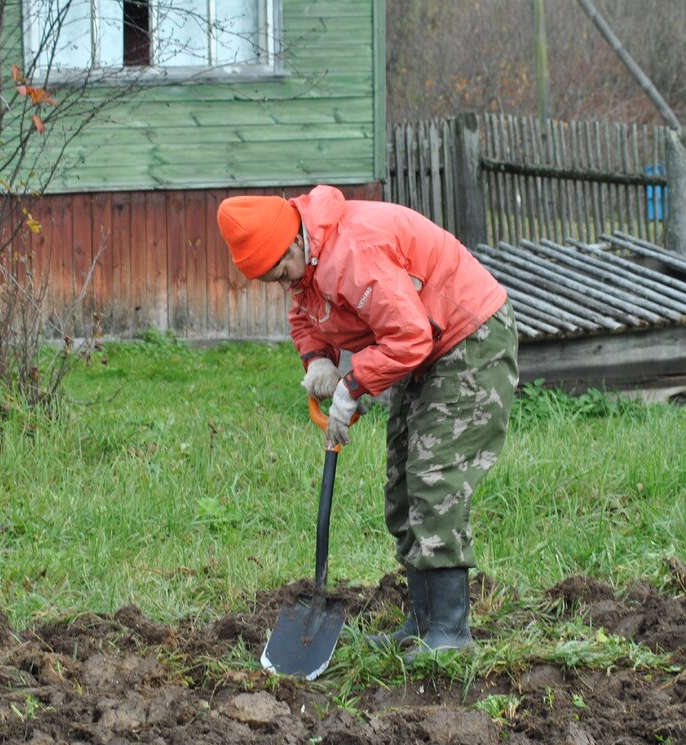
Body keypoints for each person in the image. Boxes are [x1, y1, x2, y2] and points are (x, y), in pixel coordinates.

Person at [216, 185, 518, 656]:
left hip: (468, 337)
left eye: (279, 271)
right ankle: (423, 622)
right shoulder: (307, 263)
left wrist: (353, 386)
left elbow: (410, 335)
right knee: (402, 481)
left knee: (434, 474)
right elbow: (305, 310)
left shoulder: (352, 251)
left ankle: (452, 634)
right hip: (425, 349)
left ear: (294, 243)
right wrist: (316, 359)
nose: (282, 284)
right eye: (271, 280)